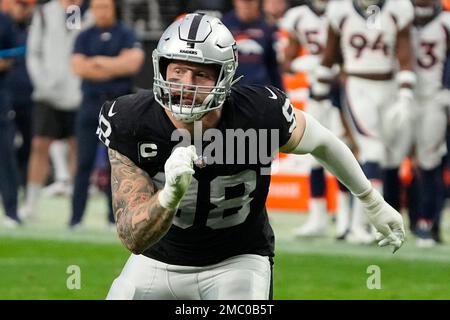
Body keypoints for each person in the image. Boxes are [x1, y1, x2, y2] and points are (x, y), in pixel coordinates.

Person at [100, 13, 405, 300]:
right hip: (158, 261)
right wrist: (169, 196)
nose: (186, 86)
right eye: (177, 70)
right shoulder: (131, 120)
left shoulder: (259, 114)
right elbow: (132, 237)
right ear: (161, 67)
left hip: (236, 261)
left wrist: (371, 201)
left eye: (201, 74)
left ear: (224, 76)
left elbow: (323, 142)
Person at [314, 0, 416, 243]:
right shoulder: (340, 10)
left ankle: (356, 225)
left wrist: (405, 94)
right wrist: (318, 93)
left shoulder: (398, 8)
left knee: (389, 155)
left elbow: (404, 51)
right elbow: (330, 55)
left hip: (389, 87)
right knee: (373, 151)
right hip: (357, 86)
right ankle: (373, 225)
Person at [281, 0, 356, 239]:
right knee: (313, 154)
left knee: (341, 152)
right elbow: (287, 61)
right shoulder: (298, 16)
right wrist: (302, 63)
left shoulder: (344, 10)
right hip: (316, 92)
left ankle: (346, 218)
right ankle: (318, 216)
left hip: (341, 91)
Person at [69, 0, 144, 228]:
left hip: (118, 107)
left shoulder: (126, 33)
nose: (102, 12)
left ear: (113, 8)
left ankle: (115, 218)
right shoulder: (84, 36)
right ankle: (76, 218)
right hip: (90, 105)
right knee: (83, 162)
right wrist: (115, 64)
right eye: (98, 7)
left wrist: (98, 63)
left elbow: (132, 64)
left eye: (106, 7)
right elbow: (78, 67)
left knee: (118, 164)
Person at [20, 0, 90, 219]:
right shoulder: (44, 12)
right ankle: (31, 204)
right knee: (40, 145)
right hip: (47, 94)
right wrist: (43, 83)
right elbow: (34, 53)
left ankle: (74, 206)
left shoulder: (90, 11)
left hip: (81, 92)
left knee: (78, 148)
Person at [408, 0, 449, 246]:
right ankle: (398, 219)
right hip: (401, 95)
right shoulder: (399, 14)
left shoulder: (445, 21)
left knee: (430, 161)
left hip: (434, 97)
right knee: (389, 160)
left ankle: (428, 222)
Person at [6, 0, 36, 191]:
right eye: (18, 3)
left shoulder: (35, 29)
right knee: (6, 145)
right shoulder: (3, 28)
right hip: (6, 96)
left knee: (30, 144)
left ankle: (23, 184)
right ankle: (8, 186)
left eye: (25, 4)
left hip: (31, 95)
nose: (21, 8)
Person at [222, 0, 284, 89]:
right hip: (231, 89)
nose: (247, 5)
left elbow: (273, 66)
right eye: (243, 1)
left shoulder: (267, 26)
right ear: (235, 2)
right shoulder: (224, 25)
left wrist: (280, 91)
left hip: (260, 89)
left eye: (251, 1)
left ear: (258, 2)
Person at [0, 9, 20, 227]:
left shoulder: (4, 20)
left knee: (5, 156)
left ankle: (12, 211)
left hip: (1, 98)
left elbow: (11, 56)